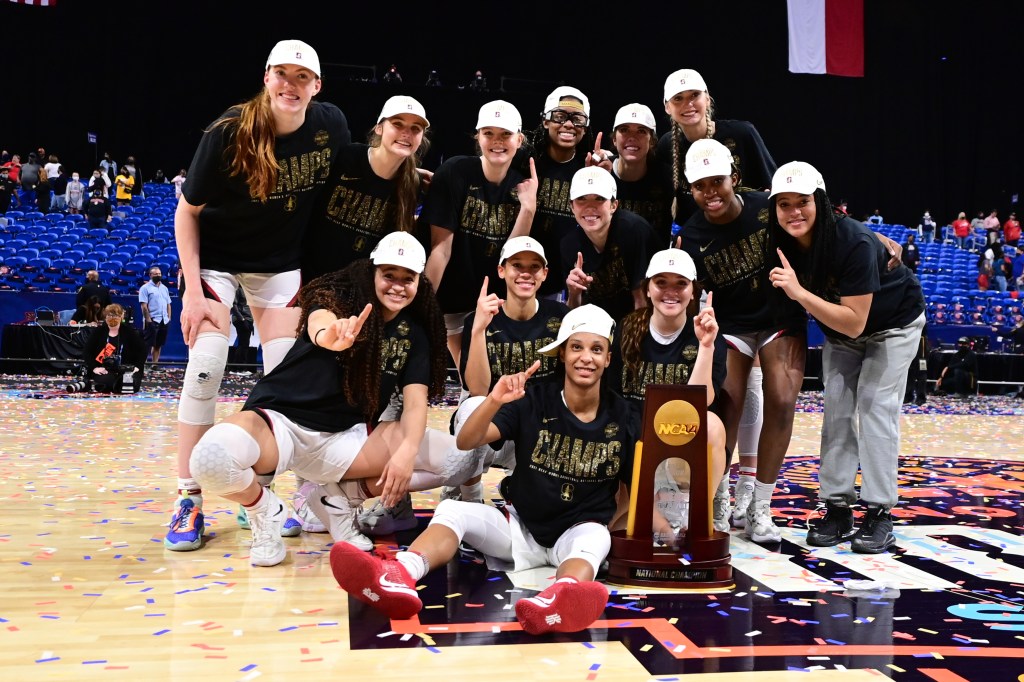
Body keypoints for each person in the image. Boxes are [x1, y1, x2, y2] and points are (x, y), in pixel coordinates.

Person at [329, 304, 638, 635]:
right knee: (452, 510)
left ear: (608, 358)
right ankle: (399, 575)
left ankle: (560, 598)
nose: (585, 358)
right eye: (576, 347)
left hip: (575, 533)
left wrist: (616, 531)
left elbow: (633, 491)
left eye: (596, 349)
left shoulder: (625, 416)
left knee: (596, 535)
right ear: (562, 353)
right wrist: (494, 400)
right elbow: (466, 440)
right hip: (520, 527)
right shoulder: (534, 399)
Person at [165, 39, 351, 552]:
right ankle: (189, 498)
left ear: (317, 86)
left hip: (278, 266)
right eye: (281, 74)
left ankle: (260, 491)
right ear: (266, 77)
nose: (290, 85)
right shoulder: (228, 132)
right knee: (205, 364)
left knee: (286, 377)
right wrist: (192, 293)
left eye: (302, 77)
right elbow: (187, 211)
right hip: (218, 261)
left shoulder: (330, 126)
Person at [184, 233, 464, 565]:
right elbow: (320, 322)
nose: (398, 286)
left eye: (408, 278)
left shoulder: (414, 333)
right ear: (372, 271)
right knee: (208, 459)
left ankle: (339, 499)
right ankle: (264, 510)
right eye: (389, 275)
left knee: (460, 458)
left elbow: (416, 402)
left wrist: (405, 453)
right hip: (281, 424)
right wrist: (331, 338)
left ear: (420, 282)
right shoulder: (340, 297)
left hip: (347, 438)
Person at [766, 160, 925, 554]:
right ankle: (837, 508)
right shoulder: (777, 235)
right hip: (842, 330)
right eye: (783, 204)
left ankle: (879, 513)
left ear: (820, 201)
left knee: (874, 406)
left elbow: (855, 322)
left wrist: (799, 292)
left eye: (802, 201)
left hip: (893, 323)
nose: (793, 211)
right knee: (837, 411)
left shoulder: (850, 241)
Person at [676, 139, 807, 544]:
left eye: (717, 181)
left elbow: (822, 230)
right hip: (732, 324)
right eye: (700, 186)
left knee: (782, 400)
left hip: (777, 318)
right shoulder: (692, 234)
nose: (710, 193)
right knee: (722, 406)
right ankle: (718, 498)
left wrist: (876, 240)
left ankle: (759, 506)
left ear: (734, 178)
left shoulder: (768, 209)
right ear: (691, 190)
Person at [611, 248, 728, 533]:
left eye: (680, 283)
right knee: (618, 530)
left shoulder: (708, 336)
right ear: (648, 289)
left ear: (693, 292)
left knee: (712, 424)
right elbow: (610, 398)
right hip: (630, 447)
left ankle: (697, 517)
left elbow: (704, 402)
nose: (670, 291)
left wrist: (706, 346)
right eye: (661, 282)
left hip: (678, 446)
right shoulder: (626, 330)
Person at [445, 236, 569, 502]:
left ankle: (516, 488)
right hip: (493, 422)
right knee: (471, 407)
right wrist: (478, 329)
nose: (526, 273)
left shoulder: (559, 316)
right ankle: (470, 497)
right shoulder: (480, 317)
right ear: (502, 270)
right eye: (517, 265)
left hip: (539, 427)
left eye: (534, 267)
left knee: (544, 501)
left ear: (544, 274)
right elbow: (477, 389)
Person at [423, 100, 538, 371]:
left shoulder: (522, 186)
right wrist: (422, 306)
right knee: (469, 378)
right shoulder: (455, 171)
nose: (497, 142)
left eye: (505, 135)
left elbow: (511, 258)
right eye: (489, 134)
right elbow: (441, 250)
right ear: (478, 137)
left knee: (489, 380)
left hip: (495, 303)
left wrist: (528, 209)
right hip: (452, 299)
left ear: (519, 139)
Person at [303, 95, 431, 283]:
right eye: (397, 124)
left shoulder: (413, 184)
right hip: (309, 277)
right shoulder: (346, 156)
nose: (406, 133)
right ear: (379, 128)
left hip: (361, 288)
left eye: (415, 129)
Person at [658, 68, 776, 228]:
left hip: (749, 231)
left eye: (694, 95)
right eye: (678, 98)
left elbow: (772, 188)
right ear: (667, 107)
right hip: (700, 242)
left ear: (707, 99)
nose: (688, 104)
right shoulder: (667, 146)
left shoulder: (742, 134)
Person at [526, 86, 610, 298]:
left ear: (586, 126)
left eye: (577, 119)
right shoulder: (524, 162)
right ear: (545, 121)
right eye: (560, 116)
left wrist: (606, 178)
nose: (569, 124)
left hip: (564, 281)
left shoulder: (589, 170)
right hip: (520, 272)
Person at [562, 166, 658, 322]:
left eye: (599, 198)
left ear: (614, 205)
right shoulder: (569, 245)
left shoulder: (633, 230)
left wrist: (635, 341)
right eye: (582, 199)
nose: (590, 206)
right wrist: (574, 292)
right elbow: (574, 312)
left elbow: (642, 299)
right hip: (595, 327)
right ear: (572, 206)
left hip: (638, 322)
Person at [609, 103, 674, 243]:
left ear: (652, 141)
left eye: (641, 131)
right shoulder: (601, 175)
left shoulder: (666, 177)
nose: (632, 137)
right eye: (624, 130)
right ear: (614, 139)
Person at [82, 303, 146, 393]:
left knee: (130, 386)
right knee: (108, 383)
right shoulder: (98, 332)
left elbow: (143, 351)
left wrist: (137, 367)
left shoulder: (130, 332)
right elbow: (87, 352)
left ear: (121, 316)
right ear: (105, 316)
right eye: (109, 315)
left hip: (126, 369)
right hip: (105, 369)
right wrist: (95, 368)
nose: (112, 317)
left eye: (115, 315)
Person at [139, 266, 172, 363]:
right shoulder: (145, 288)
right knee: (147, 345)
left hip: (164, 320)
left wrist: (168, 318)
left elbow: (168, 304)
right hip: (153, 320)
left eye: (159, 274)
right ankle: (143, 365)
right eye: (156, 274)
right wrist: (149, 320)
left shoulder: (164, 288)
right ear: (150, 275)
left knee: (158, 344)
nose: (158, 275)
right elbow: (144, 306)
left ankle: (155, 364)